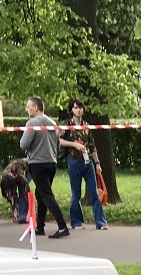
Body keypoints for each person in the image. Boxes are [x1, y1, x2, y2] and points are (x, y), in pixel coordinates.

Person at [19, 96, 69, 239]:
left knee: (46, 195)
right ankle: (39, 226)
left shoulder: (32, 123)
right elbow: (58, 144)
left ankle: (62, 226)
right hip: (51, 163)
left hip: (37, 163)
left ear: (36, 107)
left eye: (28, 106)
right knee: (41, 194)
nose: (27, 109)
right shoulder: (53, 123)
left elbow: (23, 144)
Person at [60, 98, 108, 230]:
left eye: (80, 107)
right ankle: (76, 221)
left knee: (94, 192)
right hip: (74, 161)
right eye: (75, 107)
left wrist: (97, 163)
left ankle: (101, 221)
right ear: (71, 110)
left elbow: (92, 146)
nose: (78, 110)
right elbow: (59, 141)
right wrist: (74, 144)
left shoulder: (86, 125)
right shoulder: (66, 124)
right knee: (76, 194)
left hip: (88, 163)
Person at [0, 158, 31, 223]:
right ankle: (19, 215)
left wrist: (29, 199)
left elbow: (27, 188)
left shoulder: (20, 175)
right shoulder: (3, 179)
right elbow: (12, 198)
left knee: (22, 191)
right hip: (14, 173)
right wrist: (15, 215)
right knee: (13, 196)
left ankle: (24, 216)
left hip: (29, 166)